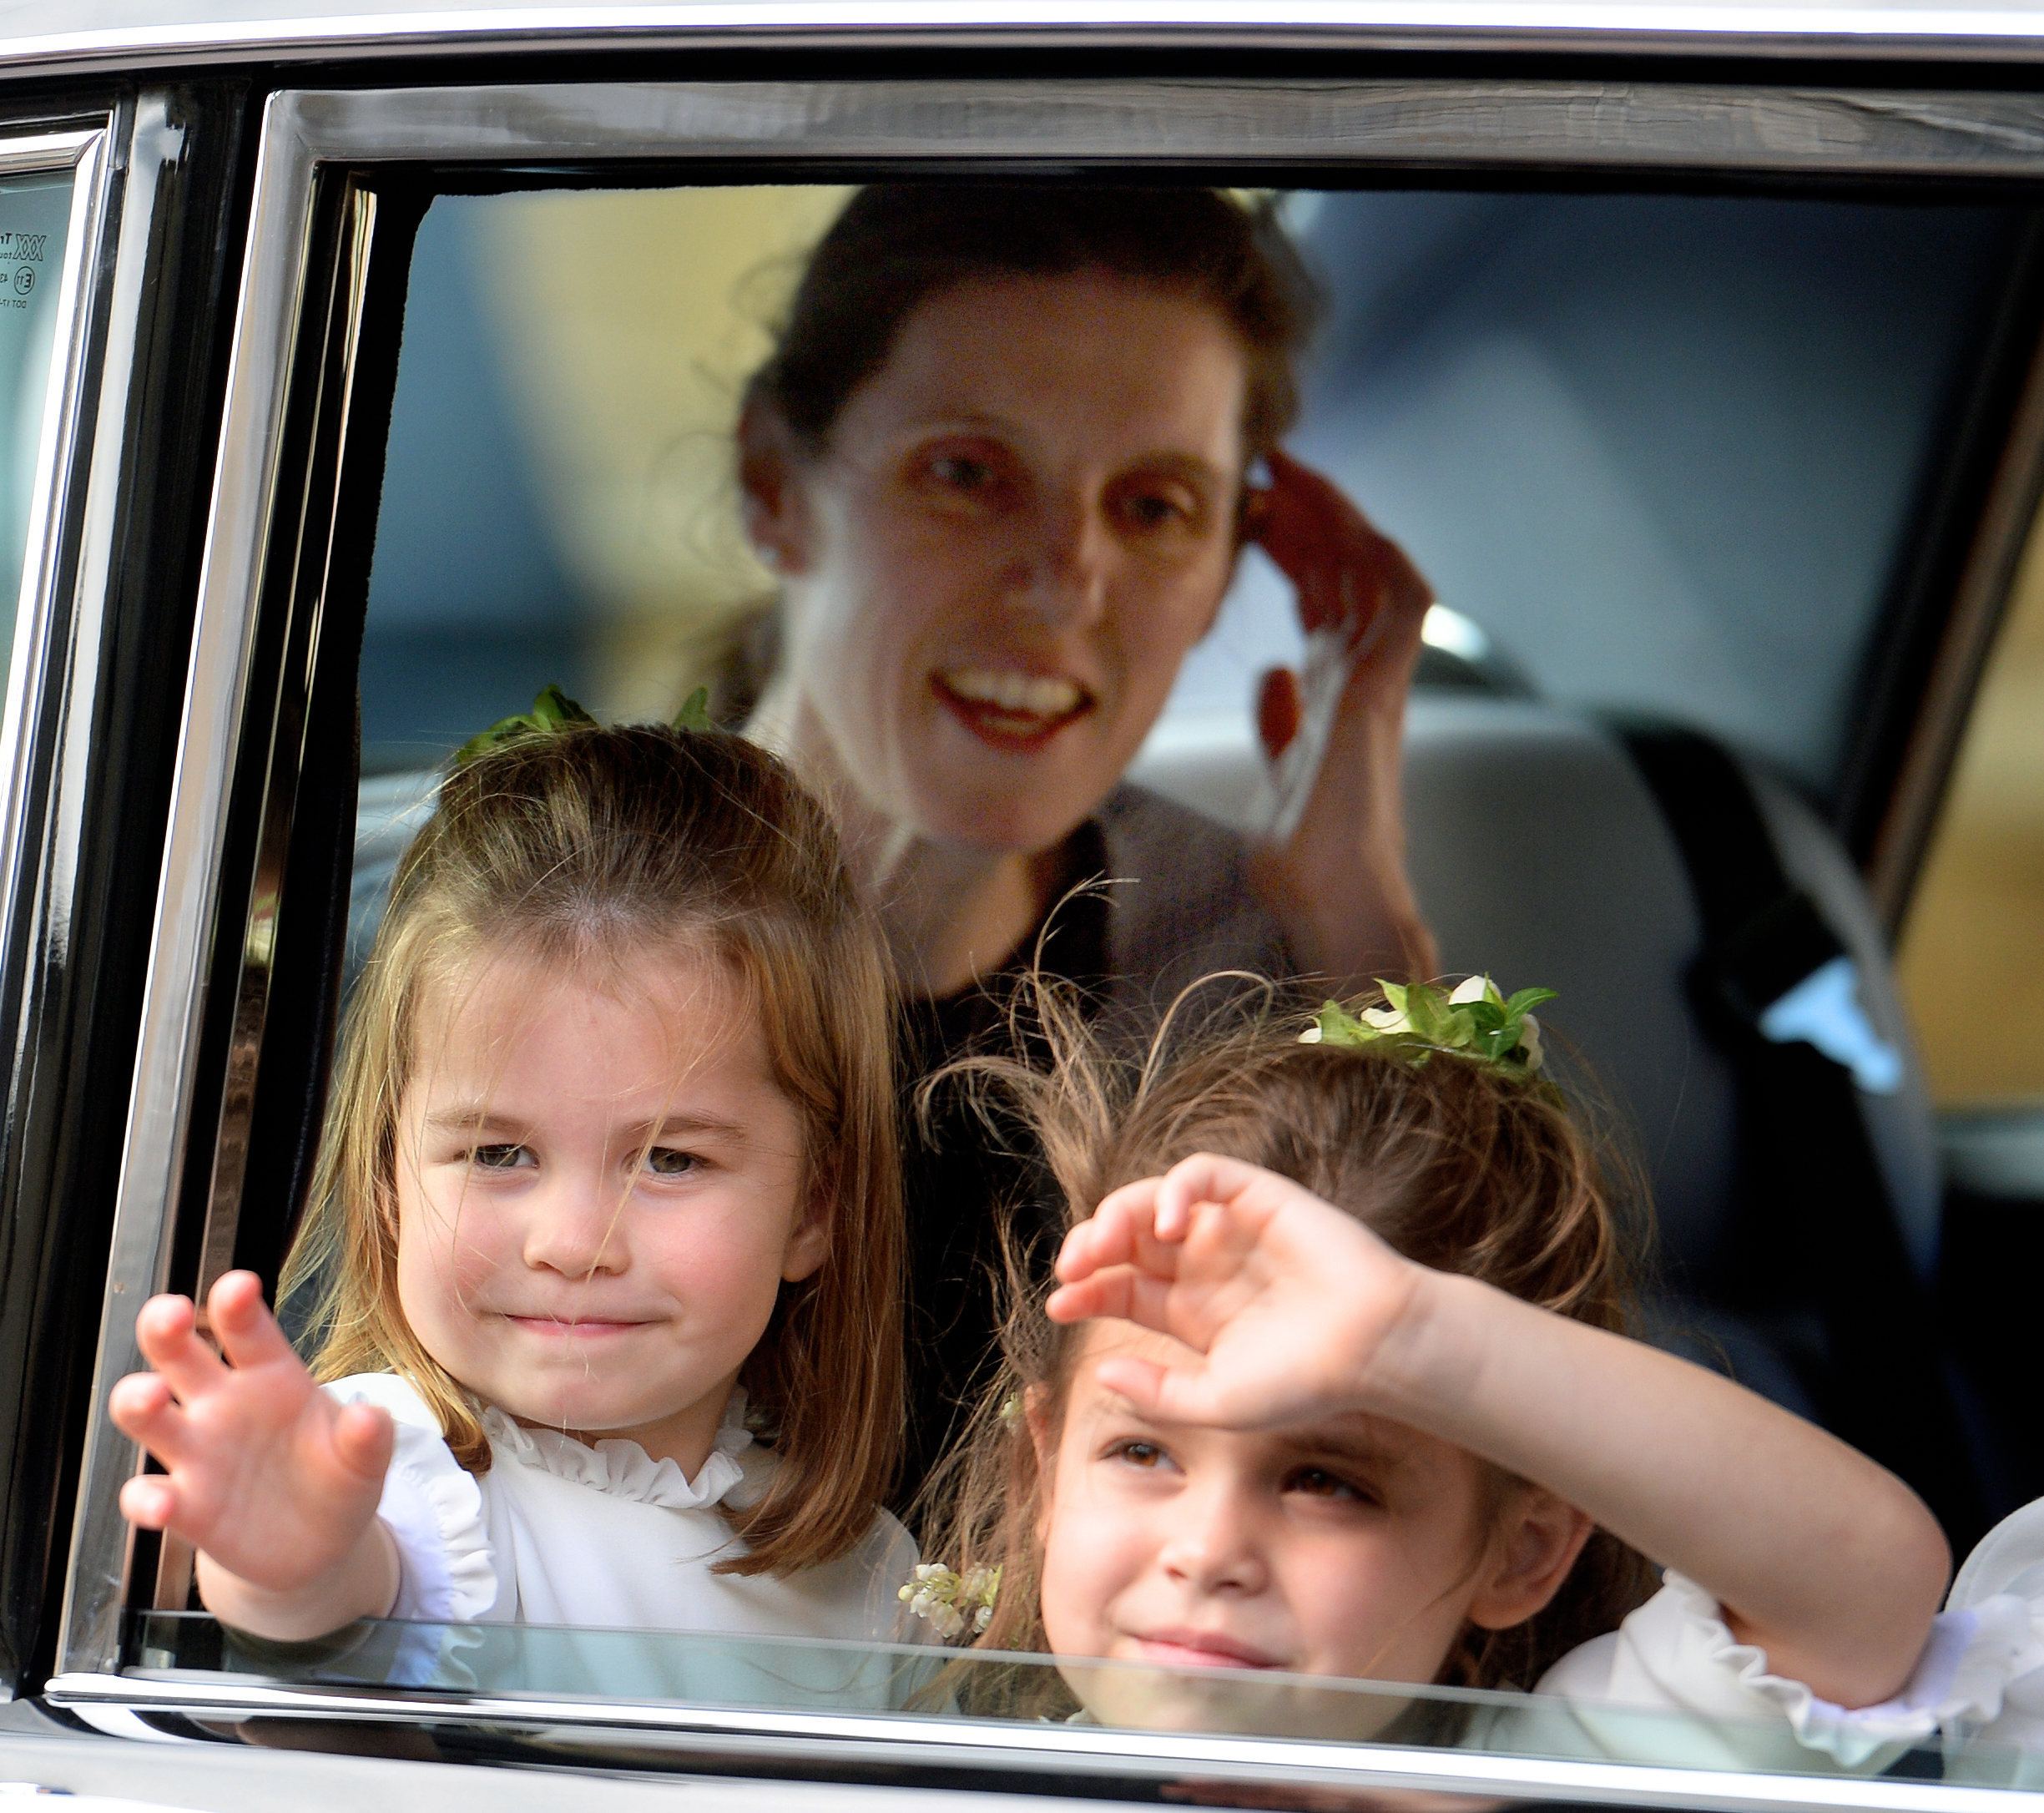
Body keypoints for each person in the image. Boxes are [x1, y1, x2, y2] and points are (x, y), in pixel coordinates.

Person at [736, 184, 1436, 1477]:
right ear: (774, 486)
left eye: (1156, 506)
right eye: (966, 474)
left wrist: (1353, 912)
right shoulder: (502, 901)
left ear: (1231, 562)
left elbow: (1449, 1439)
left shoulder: (1239, 959)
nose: (1065, 579)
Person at [911, 978, 2017, 1770]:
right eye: (1142, 1450)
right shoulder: (928, 1759)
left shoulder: (1545, 1770)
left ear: (1523, 1550)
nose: (1206, 1554)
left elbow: (1863, 1586)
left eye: (1326, 1481)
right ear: (1039, 1474)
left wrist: (1412, 1340)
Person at [107, 716, 920, 1686]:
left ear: (812, 1209)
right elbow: (339, 1599)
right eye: (498, 1152)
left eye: (668, 1160)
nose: (575, 1244)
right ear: (388, 1182)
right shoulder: (392, 1477)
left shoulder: (868, 1576)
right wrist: (288, 1566)